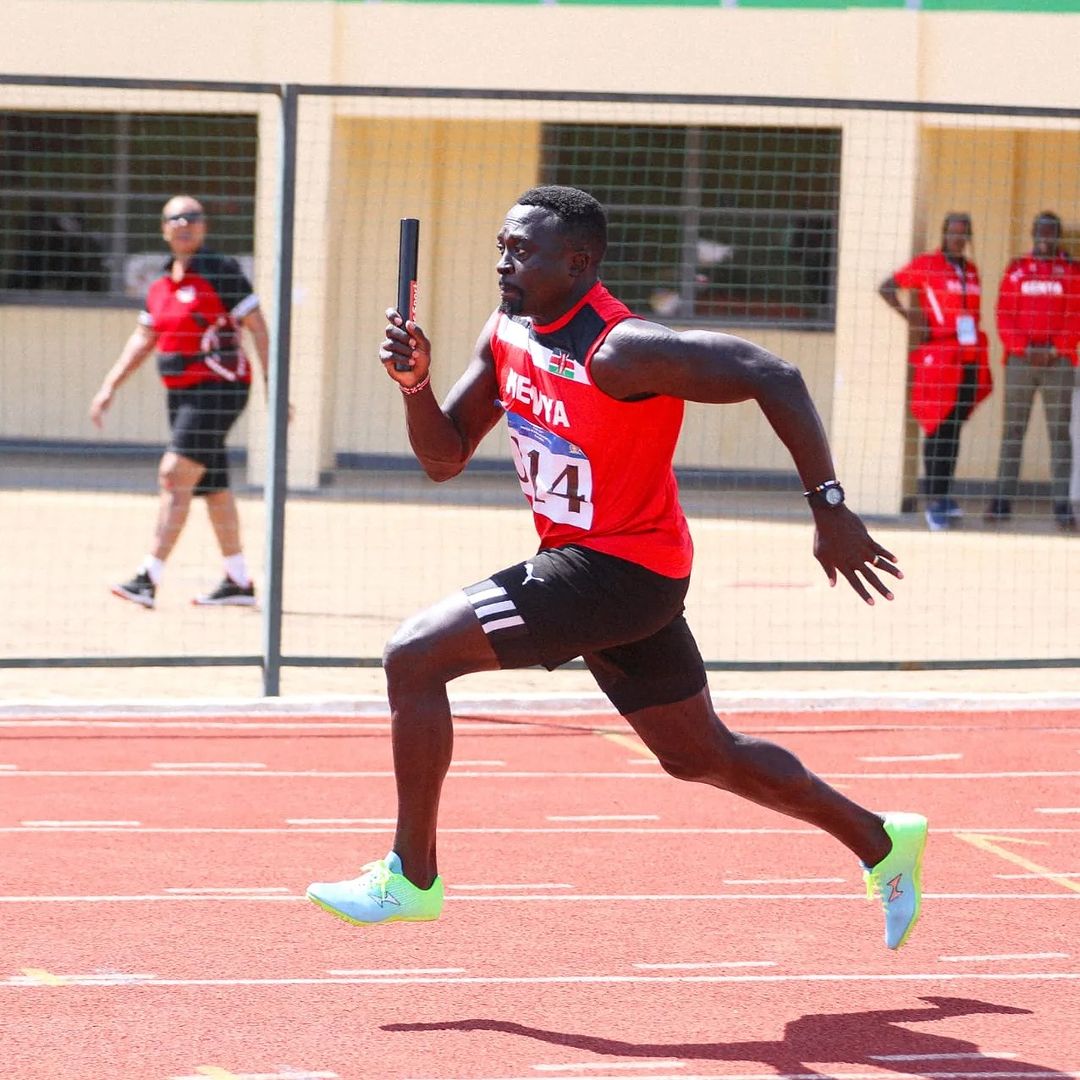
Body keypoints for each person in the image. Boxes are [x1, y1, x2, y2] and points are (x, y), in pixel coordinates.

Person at [306, 186, 927, 951]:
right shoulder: (508, 329)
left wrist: (828, 506)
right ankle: (881, 839)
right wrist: (414, 385)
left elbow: (774, 373)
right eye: (502, 245)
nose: (505, 261)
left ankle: (411, 877)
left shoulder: (620, 348)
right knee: (700, 755)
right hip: (607, 571)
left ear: (579, 262)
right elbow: (444, 458)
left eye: (522, 251)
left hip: (619, 572)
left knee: (414, 653)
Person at [89, 195, 267, 609]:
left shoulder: (221, 271)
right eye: (176, 218)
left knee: (174, 474)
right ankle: (238, 580)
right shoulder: (161, 284)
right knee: (213, 486)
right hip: (182, 395)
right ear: (163, 229)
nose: (185, 223)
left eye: (193, 217)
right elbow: (143, 339)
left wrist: (274, 384)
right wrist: (109, 386)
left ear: (204, 226)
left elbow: (257, 327)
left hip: (219, 390)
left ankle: (148, 577)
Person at [879, 212, 992, 532]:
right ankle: (934, 500)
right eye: (952, 232)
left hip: (968, 355)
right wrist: (912, 318)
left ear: (968, 237)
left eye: (963, 233)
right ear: (943, 234)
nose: (957, 238)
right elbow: (887, 288)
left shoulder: (970, 270)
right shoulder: (928, 264)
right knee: (937, 425)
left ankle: (945, 494)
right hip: (940, 353)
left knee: (954, 427)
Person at [985, 211, 1079, 532]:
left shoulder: (1071, 272)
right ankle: (1001, 501)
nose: (1045, 238)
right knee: (1012, 431)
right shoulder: (1016, 271)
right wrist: (1025, 349)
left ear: (1058, 236)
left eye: (1051, 233)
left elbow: (1075, 316)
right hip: (1020, 362)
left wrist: (1054, 350)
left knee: (1059, 435)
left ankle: (1062, 505)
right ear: (1032, 233)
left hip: (1059, 362)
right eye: (1040, 232)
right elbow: (1003, 314)